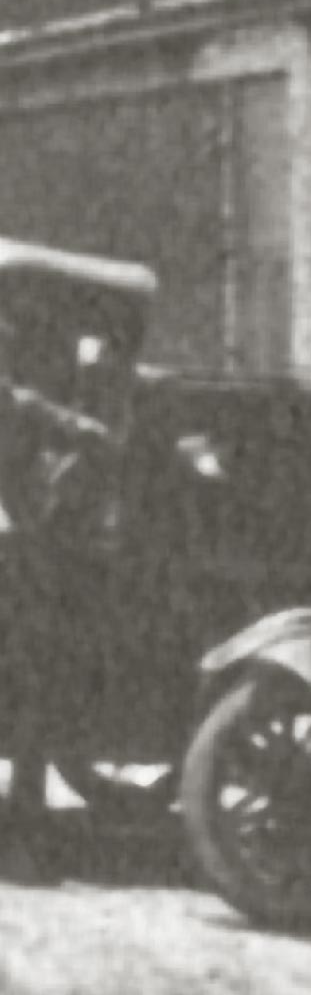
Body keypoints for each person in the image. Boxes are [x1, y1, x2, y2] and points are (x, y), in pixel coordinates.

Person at [0, 315, 115, 881]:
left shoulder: (22, 407)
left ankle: (21, 827)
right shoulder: (19, 406)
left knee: (29, 687)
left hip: (14, 561)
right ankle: (21, 833)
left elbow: (80, 431)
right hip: (14, 563)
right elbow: (88, 433)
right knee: (32, 687)